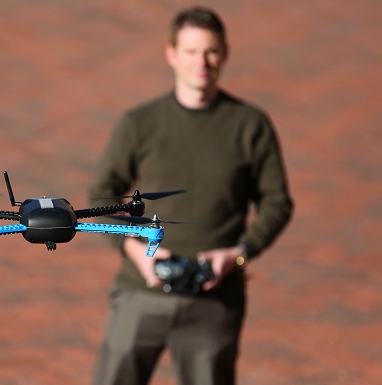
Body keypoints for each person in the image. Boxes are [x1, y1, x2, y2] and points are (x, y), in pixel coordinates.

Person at [88, 6, 294, 385]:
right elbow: (101, 196)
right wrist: (135, 251)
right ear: (171, 54)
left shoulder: (250, 126)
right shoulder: (140, 124)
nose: (202, 62)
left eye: (211, 51)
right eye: (191, 51)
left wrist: (238, 254)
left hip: (214, 302)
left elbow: (277, 203)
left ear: (225, 53)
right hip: (141, 293)